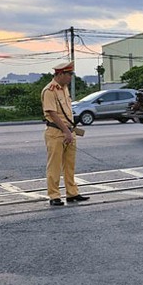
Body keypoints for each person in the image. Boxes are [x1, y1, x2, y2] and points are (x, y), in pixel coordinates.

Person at [41, 61, 89, 206]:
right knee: (54, 166)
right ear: (60, 74)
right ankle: (54, 196)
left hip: (69, 131)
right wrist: (66, 131)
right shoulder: (49, 90)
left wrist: (70, 131)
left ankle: (72, 193)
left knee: (69, 165)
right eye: (68, 74)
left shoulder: (64, 88)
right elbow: (52, 113)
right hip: (56, 132)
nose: (70, 77)